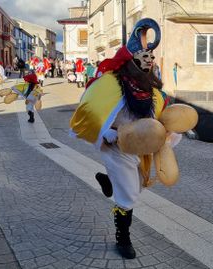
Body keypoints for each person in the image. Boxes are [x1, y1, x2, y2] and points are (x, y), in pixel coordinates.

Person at [70, 18, 166, 260]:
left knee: (138, 185)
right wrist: (107, 133)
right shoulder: (111, 84)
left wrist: (167, 133)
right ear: (131, 60)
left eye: (151, 57)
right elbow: (90, 109)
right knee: (129, 195)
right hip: (115, 146)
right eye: (143, 56)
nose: (149, 61)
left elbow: (157, 117)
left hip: (137, 147)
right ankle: (123, 238)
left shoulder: (151, 90)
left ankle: (109, 180)